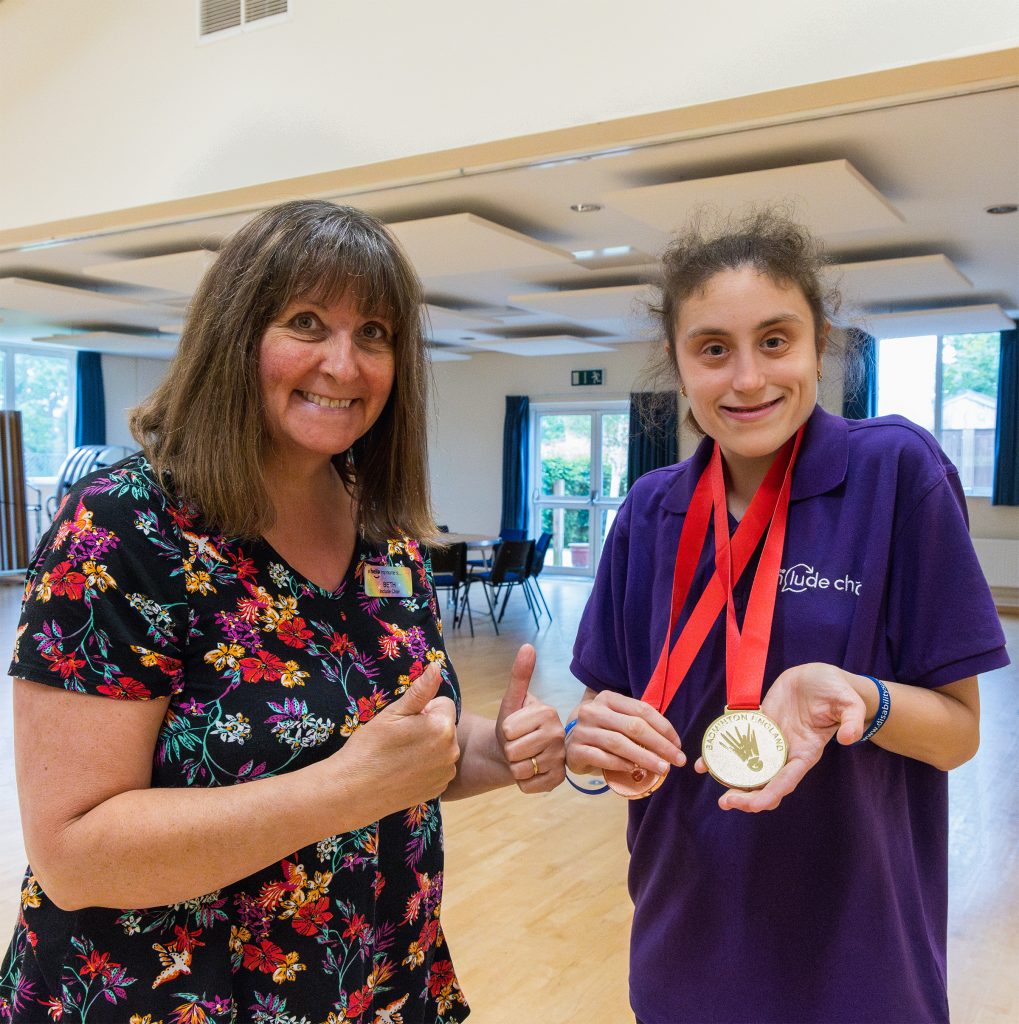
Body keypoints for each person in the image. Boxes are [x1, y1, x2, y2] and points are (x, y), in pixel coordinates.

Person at [0, 200, 565, 1024]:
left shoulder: (385, 528)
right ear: (235, 336)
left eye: (374, 333)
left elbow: (401, 754)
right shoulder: (126, 524)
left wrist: (503, 748)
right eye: (307, 322)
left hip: (372, 983)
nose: (344, 363)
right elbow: (74, 853)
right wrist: (344, 789)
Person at [565, 210, 1009, 1024]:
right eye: (712, 349)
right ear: (676, 362)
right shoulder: (649, 511)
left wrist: (857, 698)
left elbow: (956, 734)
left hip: (859, 947)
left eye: (774, 340)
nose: (746, 379)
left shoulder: (892, 473)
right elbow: (604, 708)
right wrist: (592, 740)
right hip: (682, 933)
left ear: (819, 343)